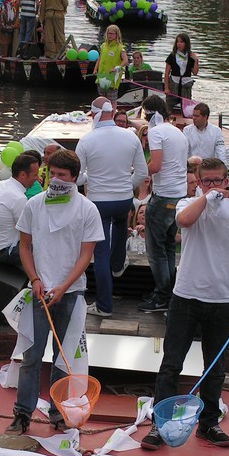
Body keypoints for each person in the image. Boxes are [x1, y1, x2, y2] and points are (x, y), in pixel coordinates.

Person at [141, 158, 229, 450]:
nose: (215, 186)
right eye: (208, 181)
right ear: (199, 182)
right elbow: (183, 222)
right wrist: (206, 198)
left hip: (221, 300)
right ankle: (159, 424)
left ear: (227, 180)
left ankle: (208, 424)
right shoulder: (187, 204)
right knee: (171, 364)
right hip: (186, 297)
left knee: (215, 367)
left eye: (219, 181)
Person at [7, 149, 104, 434]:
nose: (57, 180)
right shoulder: (34, 205)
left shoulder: (88, 209)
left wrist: (64, 286)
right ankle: (22, 413)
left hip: (71, 293)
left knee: (63, 357)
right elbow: (25, 245)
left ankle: (57, 411)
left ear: (75, 178)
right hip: (38, 292)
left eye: (63, 175)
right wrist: (34, 278)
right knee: (31, 356)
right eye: (53, 174)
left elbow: (87, 254)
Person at [74, 97, 148, 314]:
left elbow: (77, 179)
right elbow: (142, 174)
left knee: (100, 254)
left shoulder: (87, 140)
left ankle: (105, 305)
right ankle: (117, 267)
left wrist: (89, 178)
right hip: (124, 200)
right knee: (119, 228)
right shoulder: (130, 137)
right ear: (113, 111)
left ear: (93, 113)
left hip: (98, 203)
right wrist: (126, 186)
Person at [139, 95, 188, 313]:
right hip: (178, 195)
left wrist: (137, 171)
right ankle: (166, 291)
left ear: (149, 113)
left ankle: (162, 296)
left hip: (163, 196)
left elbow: (156, 165)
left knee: (155, 248)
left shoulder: (157, 132)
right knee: (168, 246)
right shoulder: (177, 131)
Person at [0, 152, 39, 268]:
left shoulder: (0, 186)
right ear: (23, 175)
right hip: (4, 252)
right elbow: (31, 230)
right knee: (52, 245)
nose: (37, 178)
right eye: (35, 175)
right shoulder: (19, 198)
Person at [164, 33, 199, 112]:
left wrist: (196, 60)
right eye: (177, 42)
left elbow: (195, 72)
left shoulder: (190, 56)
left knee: (186, 106)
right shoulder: (172, 56)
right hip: (174, 83)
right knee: (170, 104)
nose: (179, 44)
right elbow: (166, 73)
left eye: (181, 42)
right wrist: (166, 88)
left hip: (185, 84)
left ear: (186, 44)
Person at [94, 25, 127, 102]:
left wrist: (117, 68)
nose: (110, 35)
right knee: (102, 97)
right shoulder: (103, 46)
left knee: (112, 99)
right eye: (108, 33)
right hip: (102, 76)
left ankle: (112, 113)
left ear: (116, 35)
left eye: (112, 34)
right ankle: (103, 111)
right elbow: (100, 58)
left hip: (112, 77)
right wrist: (95, 69)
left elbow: (125, 60)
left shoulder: (120, 48)